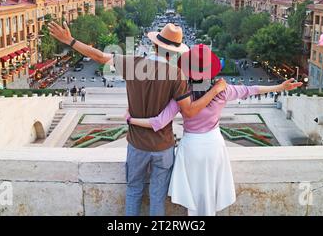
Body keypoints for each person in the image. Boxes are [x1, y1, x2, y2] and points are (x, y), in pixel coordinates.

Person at [48, 21, 226, 216]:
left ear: (155, 44)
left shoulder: (132, 63)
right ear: (175, 52)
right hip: (163, 147)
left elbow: (97, 55)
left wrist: (70, 40)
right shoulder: (177, 75)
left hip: (137, 145)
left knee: (133, 192)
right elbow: (190, 111)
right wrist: (216, 90)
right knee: (157, 197)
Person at [125, 44, 303, 216]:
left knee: (193, 196)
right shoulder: (222, 91)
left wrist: (131, 119)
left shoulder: (182, 94)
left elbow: (158, 122)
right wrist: (280, 87)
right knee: (209, 192)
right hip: (213, 147)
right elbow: (251, 89)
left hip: (191, 149)